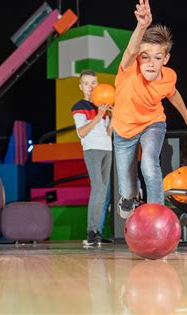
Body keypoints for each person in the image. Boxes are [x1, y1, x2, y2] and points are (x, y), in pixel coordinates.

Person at [111, 0, 187, 219]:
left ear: (166, 58)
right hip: (124, 131)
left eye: (157, 58)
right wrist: (142, 26)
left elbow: (172, 94)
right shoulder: (128, 70)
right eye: (145, 57)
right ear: (138, 58)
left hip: (152, 123)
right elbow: (130, 49)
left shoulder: (169, 76)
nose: (150, 63)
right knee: (127, 187)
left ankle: (156, 214)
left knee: (149, 163)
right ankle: (128, 197)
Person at [71, 69, 112, 246]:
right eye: (86, 83)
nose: (90, 87)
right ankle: (91, 231)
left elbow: (109, 133)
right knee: (97, 190)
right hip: (92, 150)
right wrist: (99, 116)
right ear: (81, 87)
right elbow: (82, 132)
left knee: (104, 193)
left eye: (93, 83)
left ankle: (98, 231)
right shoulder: (79, 106)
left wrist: (113, 115)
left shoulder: (103, 105)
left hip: (107, 149)